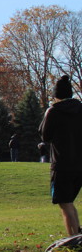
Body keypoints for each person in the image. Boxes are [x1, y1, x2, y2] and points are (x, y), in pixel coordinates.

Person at [39, 75, 82, 236]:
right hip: (79, 164)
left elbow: (45, 135)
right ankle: (77, 234)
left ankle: (73, 239)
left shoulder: (54, 111)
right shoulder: (80, 109)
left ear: (56, 95)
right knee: (69, 202)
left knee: (64, 203)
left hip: (62, 164)